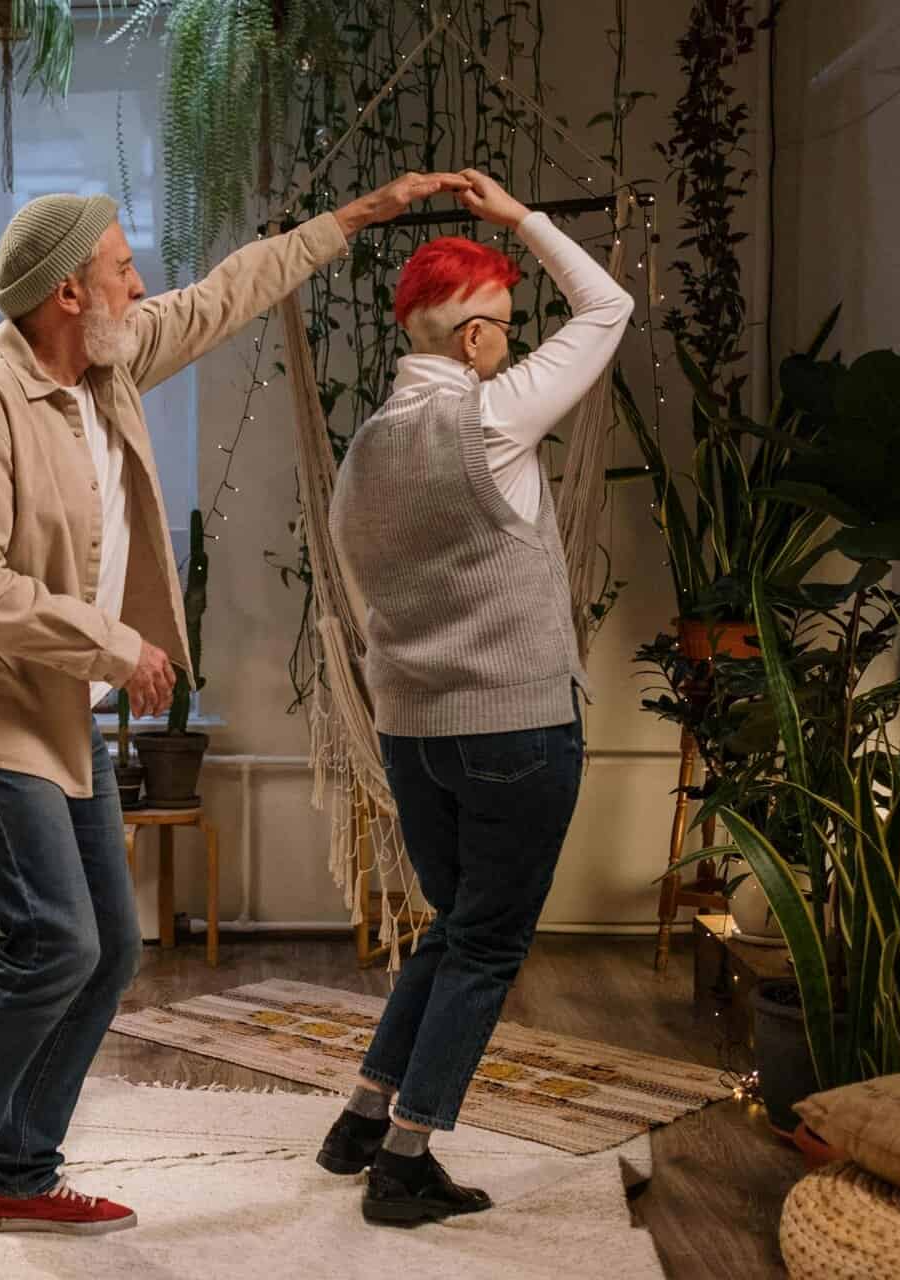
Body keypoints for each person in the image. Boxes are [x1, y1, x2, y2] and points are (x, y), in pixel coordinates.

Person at [0, 172, 474, 1280]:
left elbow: (224, 294)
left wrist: (349, 220)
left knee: (112, 945)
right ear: (70, 290)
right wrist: (114, 643)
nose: (140, 282)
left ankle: (21, 1173)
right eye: (122, 266)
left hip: (67, 708)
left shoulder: (100, 360)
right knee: (52, 942)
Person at [320, 171, 633, 1226]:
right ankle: (405, 1162)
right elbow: (609, 308)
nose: (510, 340)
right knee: (489, 944)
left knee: (454, 926)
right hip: (512, 721)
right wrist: (521, 222)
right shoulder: (492, 416)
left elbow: (369, 585)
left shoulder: (364, 448)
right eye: (501, 325)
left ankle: (364, 1111)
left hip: (411, 726)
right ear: (468, 340)